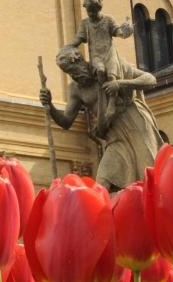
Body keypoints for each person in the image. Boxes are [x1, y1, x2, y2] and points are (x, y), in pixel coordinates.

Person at [40, 44, 162, 190]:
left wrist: (120, 83)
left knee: (149, 172)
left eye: (73, 71)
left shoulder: (110, 67)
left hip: (134, 123)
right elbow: (66, 122)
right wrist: (50, 105)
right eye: (69, 73)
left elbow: (150, 79)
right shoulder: (76, 89)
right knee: (102, 182)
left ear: (80, 60)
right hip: (114, 135)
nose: (74, 76)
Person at [72, 0, 134, 82]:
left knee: (111, 76)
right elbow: (79, 39)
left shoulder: (108, 19)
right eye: (88, 11)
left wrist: (125, 32)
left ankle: (113, 95)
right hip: (96, 56)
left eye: (93, 11)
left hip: (109, 54)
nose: (90, 14)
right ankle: (103, 95)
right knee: (100, 71)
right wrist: (68, 46)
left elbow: (118, 32)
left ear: (98, 8)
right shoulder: (84, 23)